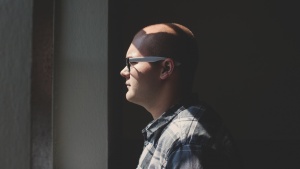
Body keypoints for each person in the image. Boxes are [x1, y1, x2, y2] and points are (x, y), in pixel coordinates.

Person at [120, 23, 242, 169]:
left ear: (166, 68)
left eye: (131, 62)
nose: (123, 72)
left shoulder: (186, 140)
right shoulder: (175, 130)